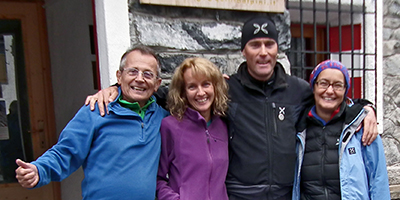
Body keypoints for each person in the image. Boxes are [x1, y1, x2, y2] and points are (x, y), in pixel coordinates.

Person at [84, 16, 378, 200]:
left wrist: (367, 108)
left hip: (286, 195)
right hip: (239, 196)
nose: (263, 52)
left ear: (277, 49)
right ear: (243, 50)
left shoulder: (299, 90)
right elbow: (166, 92)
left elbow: (335, 102)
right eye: (254, 45)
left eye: (268, 44)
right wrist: (115, 87)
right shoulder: (226, 89)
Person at [15, 45, 169, 200]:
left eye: (148, 74)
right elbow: (66, 151)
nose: (140, 79)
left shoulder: (163, 118)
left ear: (157, 83)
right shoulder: (97, 110)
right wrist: (39, 170)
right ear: (119, 76)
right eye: (132, 71)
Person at [292, 60, 390, 200]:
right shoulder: (298, 128)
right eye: (324, 83)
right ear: (314, 87)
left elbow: (378, 180)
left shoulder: (361, 128)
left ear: (345, 90)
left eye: (338, 85)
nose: (330, 91)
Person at [156, 57, 229, 200]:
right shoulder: (170, 126)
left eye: (206, 84)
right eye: (192, 87)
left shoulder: (223, 126)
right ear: (183, 92)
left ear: (215, 87)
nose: (200, 93)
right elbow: (158, 179)